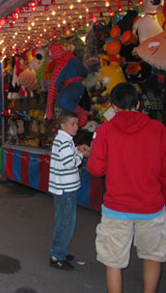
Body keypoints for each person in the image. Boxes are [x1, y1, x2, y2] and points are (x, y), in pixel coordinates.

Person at [87, 83, 166, 293]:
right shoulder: (158, 129)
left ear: (113, 106)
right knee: (153, 256)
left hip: (117, 208)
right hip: (151, 206)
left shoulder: (105, 130)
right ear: (138, 104)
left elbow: (95, 169)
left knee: (114, 261)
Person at [48, 110, 90, 271]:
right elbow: (68, 162)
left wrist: (77, 149)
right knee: (65, 223)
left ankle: (61, 251)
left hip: (65, 188)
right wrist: (81, 155)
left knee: (65, 221)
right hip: (65, 190)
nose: (75, 127)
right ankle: (56, 255)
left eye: (76, 123)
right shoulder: (64, 141)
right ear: (63, 125)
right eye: (72, 124)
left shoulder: (64, 139)